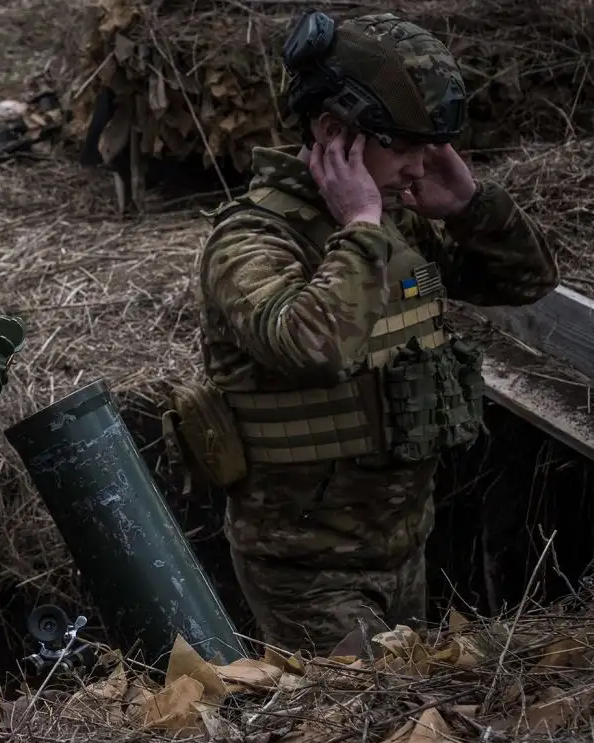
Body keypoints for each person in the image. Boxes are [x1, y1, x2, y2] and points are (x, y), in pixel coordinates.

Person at [175, 11, 559, 655]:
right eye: (405, 144)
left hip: (405, 546)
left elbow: (527, 282)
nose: (423, 164)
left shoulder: (396, 225)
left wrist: (469, 207)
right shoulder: (253, 239)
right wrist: (360, 224)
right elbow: (311, 347)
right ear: (334, 131)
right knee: (366, 737)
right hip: (306, 572)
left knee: (414, 722)